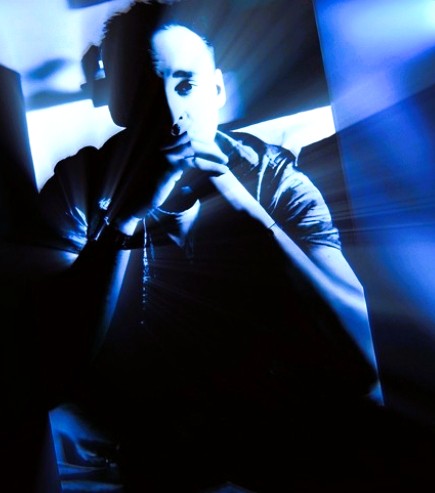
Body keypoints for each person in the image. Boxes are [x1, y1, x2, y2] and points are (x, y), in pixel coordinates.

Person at [34, 1, 383, 491]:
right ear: (117, 102)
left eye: (186, 85)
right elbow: (49, 369)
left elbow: (360, 358)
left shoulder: (275, 180)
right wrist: (124, 219)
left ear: (217, 89)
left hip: (276, 439)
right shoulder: (78, 188)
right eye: (144, 89)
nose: (170, 113)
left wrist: (234, 196)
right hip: (144, 450)